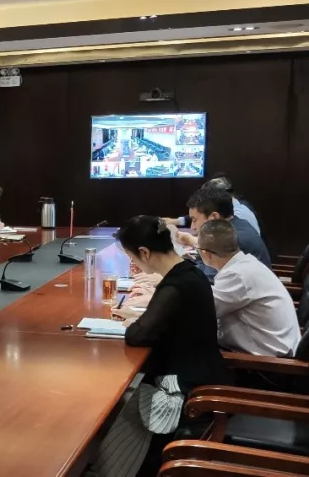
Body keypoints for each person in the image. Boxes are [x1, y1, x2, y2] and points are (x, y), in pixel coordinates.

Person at [96, 216, 229, 477]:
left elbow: (137, 335)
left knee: (117, 406)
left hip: (186, 386)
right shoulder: (190, 272)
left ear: (144, 252)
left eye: (131, 257)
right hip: (204, 371)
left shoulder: (175, 285)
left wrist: (135, 323)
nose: (133, 263)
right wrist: (141, 319)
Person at [197, 220, 299, 357]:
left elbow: (201, 311)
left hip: (267, 363)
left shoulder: (237, 276)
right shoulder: (246, 264)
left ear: (206, 254)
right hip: (275, 349)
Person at [176, 186, 271, 276]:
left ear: (214, 217)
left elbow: (208, 277)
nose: (192, 227)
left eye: (194, 220)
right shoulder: (237, 224)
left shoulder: (232, 239)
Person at [163, 175, 260, 235]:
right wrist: (177, 221)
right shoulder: (230, 211)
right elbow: (202, 213)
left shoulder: (240, 214)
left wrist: (193, 241)